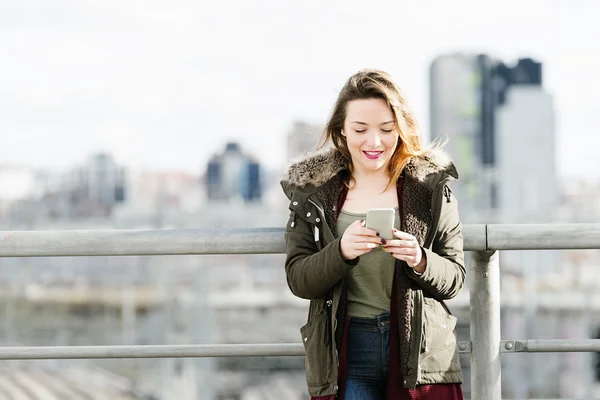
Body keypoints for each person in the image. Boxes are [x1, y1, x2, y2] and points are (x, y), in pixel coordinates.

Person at [280, 69, 466, 400]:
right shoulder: (313, 192)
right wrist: (341, 252)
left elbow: (454, 277)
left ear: (402, 128)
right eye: (360, 129)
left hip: (419, 353)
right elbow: (298, 278)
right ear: (341, 130)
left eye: (386, 129)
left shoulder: (430, 187)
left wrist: (420, 259)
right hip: (348, 351)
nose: (374, 141)